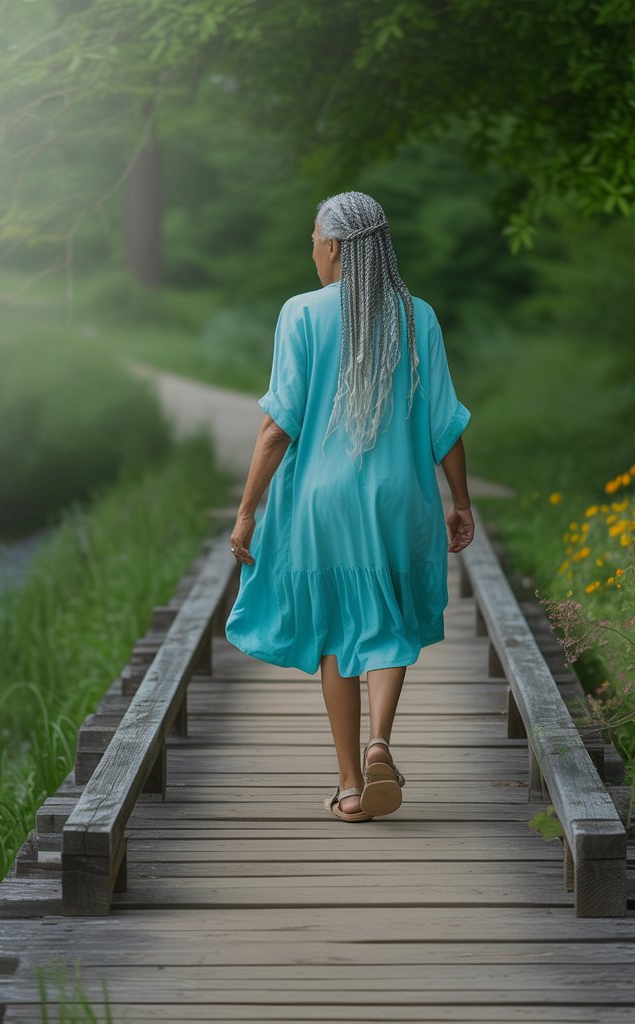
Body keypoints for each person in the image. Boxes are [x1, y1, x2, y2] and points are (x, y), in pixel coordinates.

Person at [224, 190, 474, 822]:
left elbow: (277, 426)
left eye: (313, 237)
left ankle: (350, 788)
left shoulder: (301, 314)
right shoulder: (419, 317)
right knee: (386, 621)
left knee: (337, 632)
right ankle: (381, 743)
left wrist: (248, 508)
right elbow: (445, 424)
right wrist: (461, 502)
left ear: (333, 246)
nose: (309, 249)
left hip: (321, 504)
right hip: (399, 499)